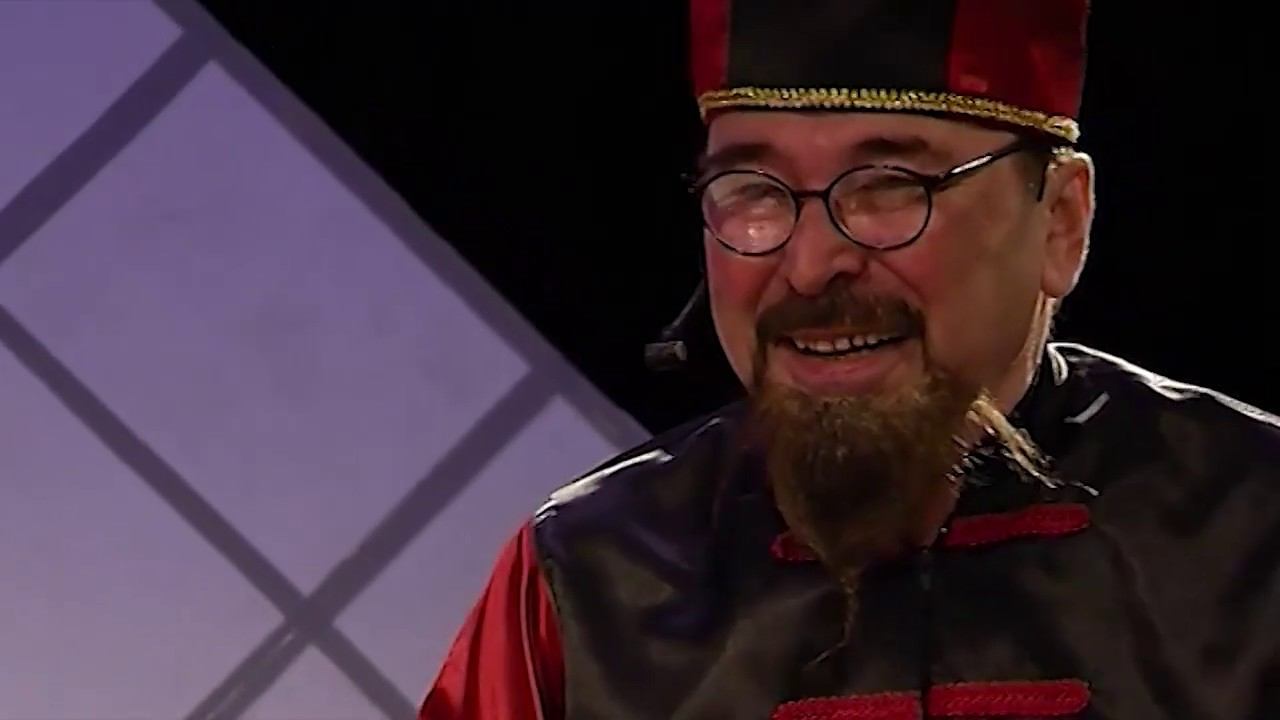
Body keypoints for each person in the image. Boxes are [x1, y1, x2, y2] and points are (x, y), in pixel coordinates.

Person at [420, 1, 1280, 717]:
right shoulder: (588, 578)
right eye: (753, 193)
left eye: (888, 188)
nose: (809, 264)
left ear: (1060, 222)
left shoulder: (1255, 536)